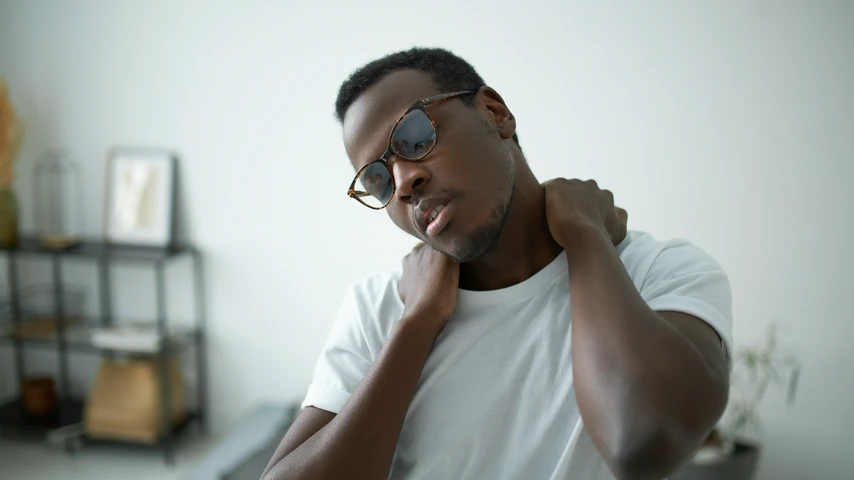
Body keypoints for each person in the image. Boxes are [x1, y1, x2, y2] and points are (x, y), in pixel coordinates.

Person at [262, 47, 732, 480]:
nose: (404, 183)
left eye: (415, 135)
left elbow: (643, 440)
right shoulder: (380, 308)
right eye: (379, 181)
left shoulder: (661, 273)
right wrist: (418, 322)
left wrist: (585, 237)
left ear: (495, 112)